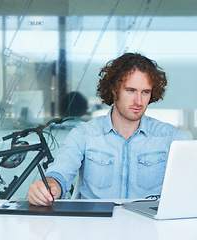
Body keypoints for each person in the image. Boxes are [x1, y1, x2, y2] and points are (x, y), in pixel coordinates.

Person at [28, 53, 185, 206]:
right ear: (113, 90)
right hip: (94, 227)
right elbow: (59, 174)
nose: (138, 101)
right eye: (130, 90)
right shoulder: (84, 134)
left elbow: (188, 185)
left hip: (149, 228)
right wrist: (49, 186)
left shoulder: (170, 137)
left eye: (145, 92)